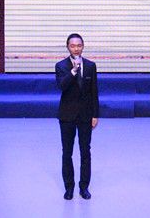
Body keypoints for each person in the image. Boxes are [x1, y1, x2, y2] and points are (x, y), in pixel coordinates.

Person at [55, 33, 99, 200]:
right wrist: (73, 71)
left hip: (85, 115)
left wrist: (95, 114)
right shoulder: (61, 66)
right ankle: (69, 188)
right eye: (72, 46)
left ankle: (84, 187)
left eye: (79, 45)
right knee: (67, 152)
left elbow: (94, 91)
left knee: (85, 152)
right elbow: (62, 86)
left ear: (83, 46)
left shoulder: (90, 66)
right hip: (67, 115)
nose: (76, 48)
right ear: (68, 47)